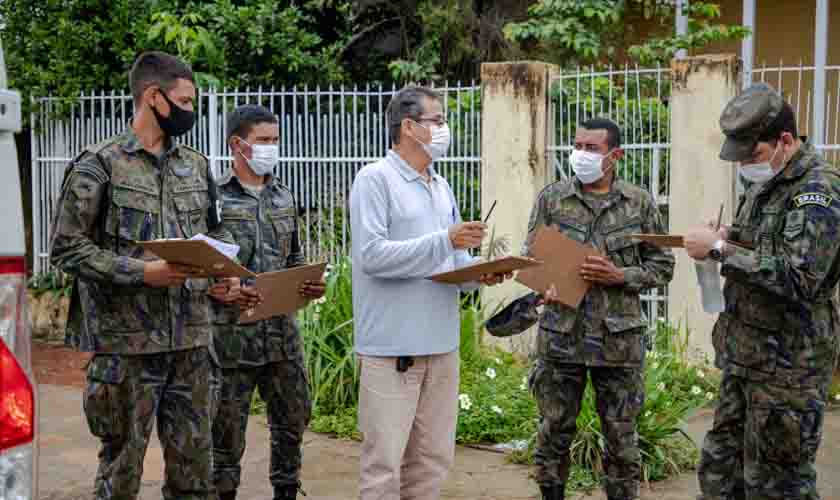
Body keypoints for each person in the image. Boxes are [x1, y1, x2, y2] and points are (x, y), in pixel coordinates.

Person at [49, 51, 241, 500]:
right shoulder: (100, 164)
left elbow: (216, 232)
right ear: (153, 97)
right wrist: (142, 272)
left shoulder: (195, 165)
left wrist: (223, 274)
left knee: (195, 477)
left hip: (192, 345)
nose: (191, 111)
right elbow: (67, 247)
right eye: (185, 101)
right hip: (127, 349)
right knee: (121, 475)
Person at [349, 85, 510, 500]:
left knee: (432, 461)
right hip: (392, 350)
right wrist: (446, 240)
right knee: (384, 466)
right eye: (437, 121)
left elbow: (451, 264)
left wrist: (481, 274)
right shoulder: (375, 179)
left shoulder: (440, 186)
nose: (444, 129)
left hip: (441, 346)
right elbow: (372, 256)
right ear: (408, 126)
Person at [685, 82, 840, 500]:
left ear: (785, 141)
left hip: (788, 365)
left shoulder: (820, 191)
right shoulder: (765, 181)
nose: (743, 167)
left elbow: (800, 277)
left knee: (777, 483)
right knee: (720, 471)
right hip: (746, 356)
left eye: (751, 155)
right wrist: (730, 236)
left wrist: (719, 251)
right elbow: (765, 242)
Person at [521, 117, 675, 500]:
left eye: (592, 149)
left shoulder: (638, 203)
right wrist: (546, 281)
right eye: (578, 146)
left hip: (617, 343)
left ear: (615, 155)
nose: (581, 155)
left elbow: (663, 266)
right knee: (553, 432)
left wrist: (618, 274)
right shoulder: (552, 199)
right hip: (561, 337)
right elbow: (531, 257)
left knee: (621, 438)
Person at [211, 104, 325, 500]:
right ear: (237, 144)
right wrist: (218, 284)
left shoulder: (284, 197)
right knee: (224, 440)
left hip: (281, 338)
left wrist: (309, 282)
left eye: (275, 141)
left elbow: (293, 258)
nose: (271, 148)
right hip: (231, 340)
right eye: (263, 141)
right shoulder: (214, 200)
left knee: (292, 425)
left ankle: (286, 492)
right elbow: (200, 264)